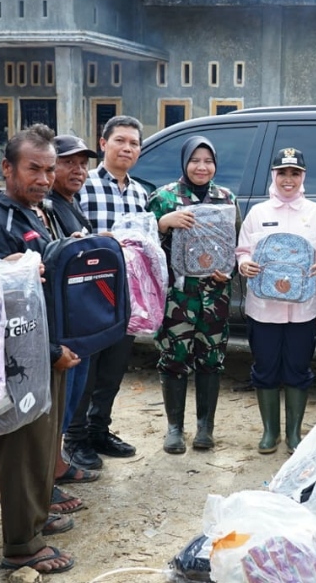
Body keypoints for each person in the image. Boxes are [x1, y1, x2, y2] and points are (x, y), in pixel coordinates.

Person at [0, 124, 78, 576]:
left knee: (43, 442)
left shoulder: (39, 213)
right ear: (7, 168)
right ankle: (20, 544)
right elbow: (6, 308)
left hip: (49, 348)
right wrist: (52, 347)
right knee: (23, 447)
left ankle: (37, 517)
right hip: (23, 355)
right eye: (33, 169)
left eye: (48, 169)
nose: (43, 178)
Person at [235, 147, 316, 454]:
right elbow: (243, 250)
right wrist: (244, 264)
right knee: (265, 368)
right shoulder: (259, 213)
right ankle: (270, 433)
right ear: (274, 176)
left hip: (302, 308)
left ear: (303, 176)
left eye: (295, 173)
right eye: (283, 173)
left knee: (298, 368)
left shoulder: (315, 212)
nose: (288, 179)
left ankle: (294, 433)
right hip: (264, 308)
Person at [66, 116, 149, 469]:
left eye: (133, 143)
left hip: (126, 294)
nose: (126, 148)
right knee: (87, 369)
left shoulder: (141, 192)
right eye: (120, 141)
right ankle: (75, 438)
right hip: (90, 294)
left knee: (113, 370)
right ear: (103, 144)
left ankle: (100, 430)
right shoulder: (83, 186)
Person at [148, 136, 239, 454]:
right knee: (174, 357)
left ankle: (205, 428)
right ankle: (174, 428)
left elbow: (233, 248)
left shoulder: (226, 198)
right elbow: (144, 250)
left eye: (208, 161)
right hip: (178, 296)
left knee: (211, 358)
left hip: (215, 294)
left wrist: (229, 270)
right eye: (195, 160)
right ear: (185, 163)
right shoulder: (164, 197)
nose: (202, 167)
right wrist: (163, 224)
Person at [48, 135, 102, 506]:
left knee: (70, 400)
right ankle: (47, 473)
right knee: (55, 406)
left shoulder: (71, 203)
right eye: (69, 163)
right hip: (59, 328)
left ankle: (57, 464)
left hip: (78, 322)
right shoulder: (48, 207)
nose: (78, 170)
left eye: (83, 164)